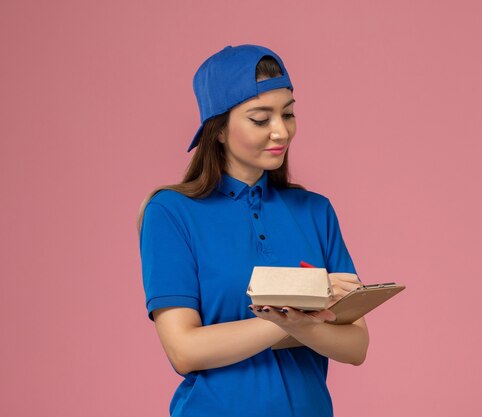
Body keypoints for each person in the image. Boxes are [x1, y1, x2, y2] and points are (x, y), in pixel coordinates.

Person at [136, 44, 369, 417]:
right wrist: (305, 314)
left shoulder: (315, 211)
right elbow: (185, 351)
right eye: (261, 119)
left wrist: (257, 330)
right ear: (219, 131)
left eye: (288, 114)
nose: (281, 132)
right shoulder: (170, 213)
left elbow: (355, 345)